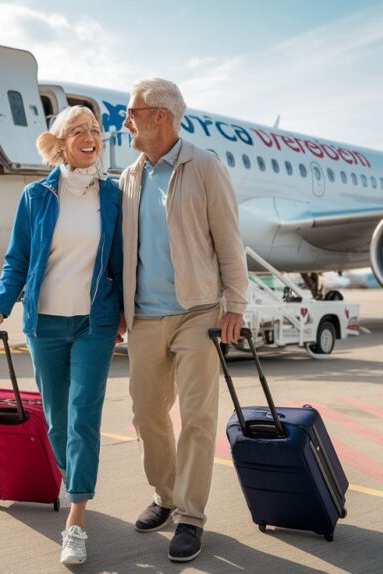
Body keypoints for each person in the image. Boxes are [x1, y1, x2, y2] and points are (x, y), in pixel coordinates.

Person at [0, 105, 122, 566]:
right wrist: (1, 308)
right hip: (44, 325)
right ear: (61, 143)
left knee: (83, 418)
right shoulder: (36, 196)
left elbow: (123, 261)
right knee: (58, 424)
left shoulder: (114, 196)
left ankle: (76, 520)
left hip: (93, 325)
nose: (90, 137)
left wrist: (124, 313)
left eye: (96, 131)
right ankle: (74, 483)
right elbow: (17, 259)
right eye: (79, 131)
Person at [119, 78, 248, 562]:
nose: (126, 120)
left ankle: (190, 516)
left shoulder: (206, 166)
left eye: (133, 112)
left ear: (161, 117)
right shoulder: (130, 176)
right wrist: (120, 310)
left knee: (197, 418)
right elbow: (125, 251)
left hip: (199, 312)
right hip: (145, 318)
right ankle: (165, 496)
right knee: (146, 415)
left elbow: (229, 241)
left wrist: (235, 303)